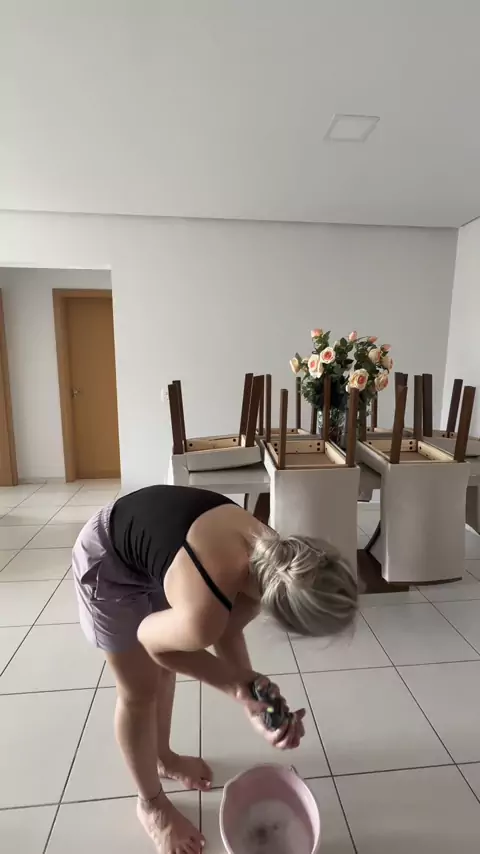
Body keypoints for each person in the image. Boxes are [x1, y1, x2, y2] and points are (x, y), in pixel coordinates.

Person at [73, 485, 357, 854]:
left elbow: (226, 627)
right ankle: (151, 805)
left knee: (168, 668)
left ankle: (163, 758)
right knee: (139, 690)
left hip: (162, 550)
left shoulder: (275, 561)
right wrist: (238, 687)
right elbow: (152, 640)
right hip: (107, 559)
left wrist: (254, 699)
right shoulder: (206, 607)